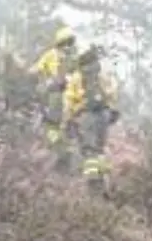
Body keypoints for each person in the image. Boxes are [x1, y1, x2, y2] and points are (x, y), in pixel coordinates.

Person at [63, 45, 119, 191]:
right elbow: (112, 92)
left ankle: (93, 183)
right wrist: (111, 109)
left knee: (89, 149)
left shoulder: (77, 77)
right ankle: (103, 180)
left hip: (86, 115)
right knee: (100, 148)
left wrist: (68, 118)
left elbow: (69, 99)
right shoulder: (103, 74)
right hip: (104, 114)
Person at [30, 28, 79, 167]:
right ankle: (68, 157)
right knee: (69, 128)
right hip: (72, 99)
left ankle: (60, 152)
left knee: (52, 126)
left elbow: (36, 70)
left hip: (56, 96)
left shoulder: (51, 55)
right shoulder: (75, 58)